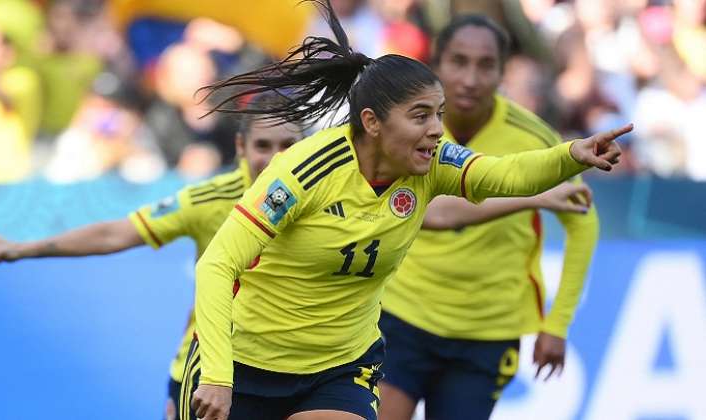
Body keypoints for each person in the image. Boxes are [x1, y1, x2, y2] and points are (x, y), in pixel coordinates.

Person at [184, 2, 629, 420]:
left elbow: (504, 175)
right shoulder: (304, 171)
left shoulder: (433, 163)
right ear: (373, 123)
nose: (437, 129)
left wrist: (572, 153)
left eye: (438, 114)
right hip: (246, 359)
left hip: (338, 367)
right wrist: (219, 376)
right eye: (421, 116)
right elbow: (218, 265)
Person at [0, 91, 304, 420]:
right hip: (213, 370)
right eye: (263, 145)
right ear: (240, 147)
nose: (276, 158)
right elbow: (116, 233)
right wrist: (20, 248)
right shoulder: (209, 200)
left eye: (288, 146)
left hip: (302, 367)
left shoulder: (330, 199)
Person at [377, 15, 601, 420]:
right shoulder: (405, 128)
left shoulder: (533, 138)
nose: (470, 78)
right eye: (458, 62)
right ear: (436, 64)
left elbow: (584, 219)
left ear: (503, 72)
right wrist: (532, 197)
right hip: (401, 313)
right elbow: (424, 211)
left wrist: (558, 322)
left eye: (485, 65)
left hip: (487, 330)